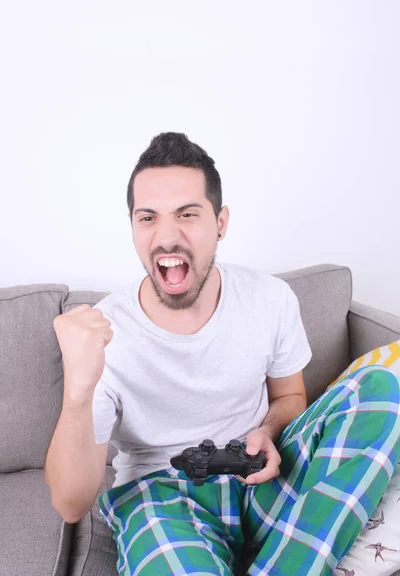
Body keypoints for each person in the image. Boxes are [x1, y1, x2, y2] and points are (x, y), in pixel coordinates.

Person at [45, 133, 400, 576]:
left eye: (187, 214)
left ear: (220, 222)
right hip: (161, 496)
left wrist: (269, 431)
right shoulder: (103, 332)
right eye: (148, 217)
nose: (167, 236)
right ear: (133, 226)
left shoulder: (271, 298)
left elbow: (290, 398)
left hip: (261, 478)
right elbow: (71, 503)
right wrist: (79, 389)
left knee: (381, 387)